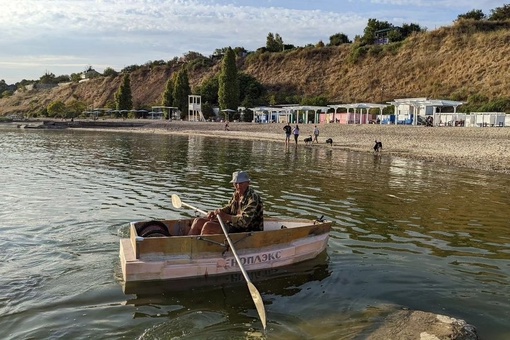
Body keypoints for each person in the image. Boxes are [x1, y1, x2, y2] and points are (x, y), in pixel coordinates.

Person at [188, 171, 264, 235]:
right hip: (233, 224)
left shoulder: (253, 198)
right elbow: (230, 207)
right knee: (198, 221)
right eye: (235, 183)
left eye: (241, 183)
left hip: (247, 230)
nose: (238, 186)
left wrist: (226, 217)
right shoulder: (237, 194)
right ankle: (188, 244)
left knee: (208, 226)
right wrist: (216, 212)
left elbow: (245, 221)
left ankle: (201, 247)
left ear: (248, 183)